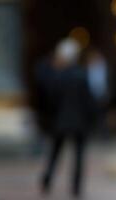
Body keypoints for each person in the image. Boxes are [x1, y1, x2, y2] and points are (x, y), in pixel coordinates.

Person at [35, 38, 94, 197]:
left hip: (60, 122)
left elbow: (51, 99)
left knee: (54, 154)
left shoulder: (58, 75)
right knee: (78, 157)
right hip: (79, 122)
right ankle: (76, 188)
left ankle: (47, 179)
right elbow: (89, 100)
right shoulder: (82, 75)